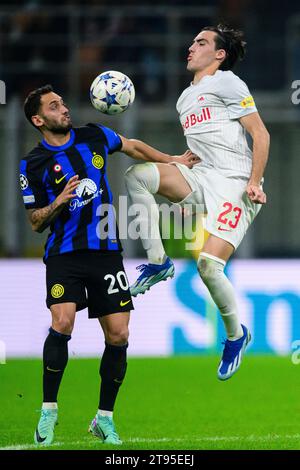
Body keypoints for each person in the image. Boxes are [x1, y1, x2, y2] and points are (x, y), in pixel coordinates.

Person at [19, 84, 198, 446]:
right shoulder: (32, 164)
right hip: (64, 255)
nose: (64, 109)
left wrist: (172, 161)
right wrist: (59, 201)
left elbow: (132, 146)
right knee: (62, 322)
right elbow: (35, 221)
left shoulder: (93, 135)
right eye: (54, 106)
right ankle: (49, 410)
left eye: (63, 102)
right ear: (38, 119)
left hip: (106, 252)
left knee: (118, 335)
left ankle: (104, 419)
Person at [125, 25, 270, 381]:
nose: (191, 47)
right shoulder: (184, 98)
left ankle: (236, 335)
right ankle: (159, 263)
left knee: (208, 266)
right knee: (137, 176)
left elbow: (260, 133)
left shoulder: (228, 82)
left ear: (219, 55)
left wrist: (253, 182)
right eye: (192, 41)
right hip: (202, 177)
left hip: (235, 184)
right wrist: (176, 160)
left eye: (201, 42)